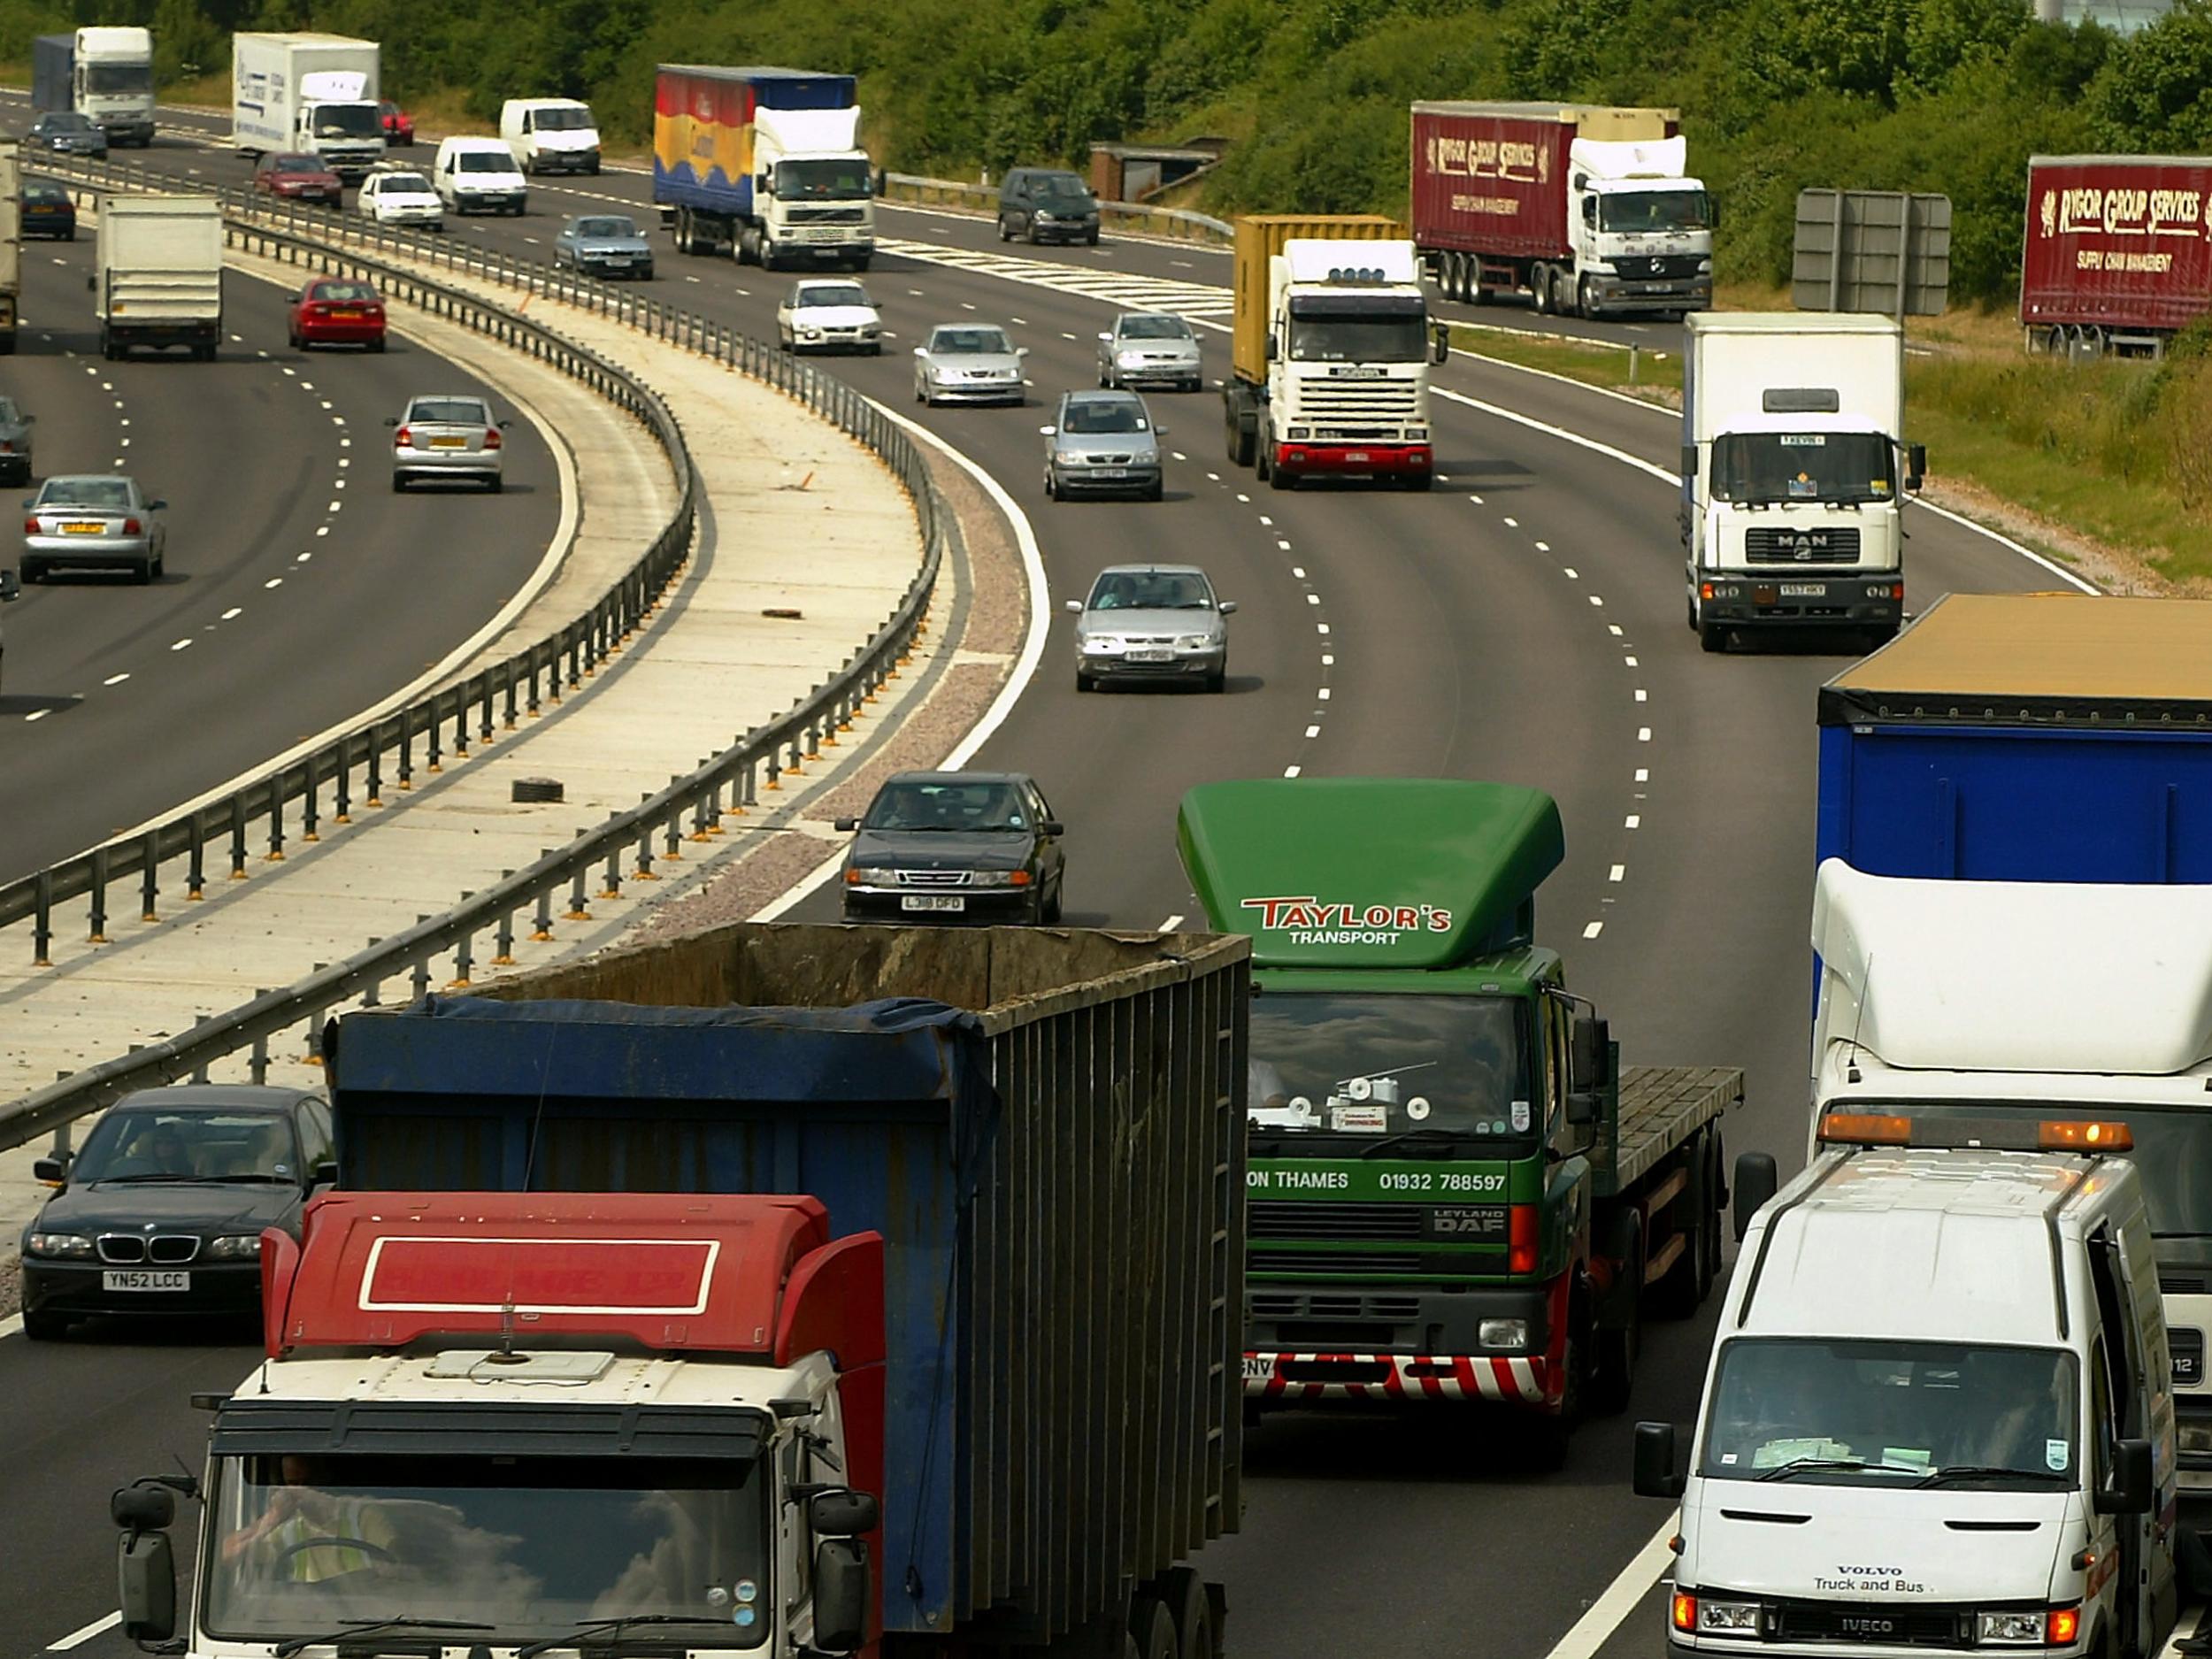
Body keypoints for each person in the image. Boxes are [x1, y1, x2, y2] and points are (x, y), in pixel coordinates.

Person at [223, 1455, 400, 1584]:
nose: (303, 1491)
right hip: (308, 1619)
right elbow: (227, 1555)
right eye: (294, 1484)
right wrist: (272, 1518)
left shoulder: (362, 1515)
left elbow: (401, 1560)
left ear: (325, 1479)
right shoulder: (287, 1529)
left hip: (367, 1615)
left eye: (309, 1482)